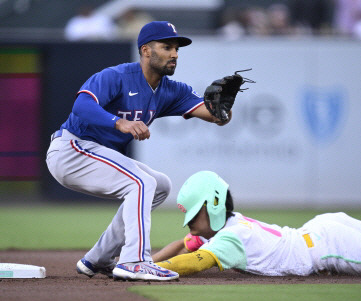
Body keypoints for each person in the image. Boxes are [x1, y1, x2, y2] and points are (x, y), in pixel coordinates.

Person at [46, 21, 240, 281]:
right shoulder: (116, 76)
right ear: (146, 50)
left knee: (159, 185)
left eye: (177, 49)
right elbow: (82, 105)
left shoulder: (171, 90)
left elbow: (214, 115)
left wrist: (224, 111)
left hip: (96, 153)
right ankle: (135, 261)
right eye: (167, 47)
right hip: (71, 149)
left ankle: (98, 258)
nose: (174, 54)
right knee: (140, 182)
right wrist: (119, 122)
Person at [152, 171, 361, 277]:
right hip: (322, 229)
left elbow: (193, 262)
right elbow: (182, 246)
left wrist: (151, 270)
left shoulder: (230, 239)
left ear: (213, 205)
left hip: (328, 246)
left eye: (193, 214)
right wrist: (142, 261)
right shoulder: (228, 225)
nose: (188, 222)